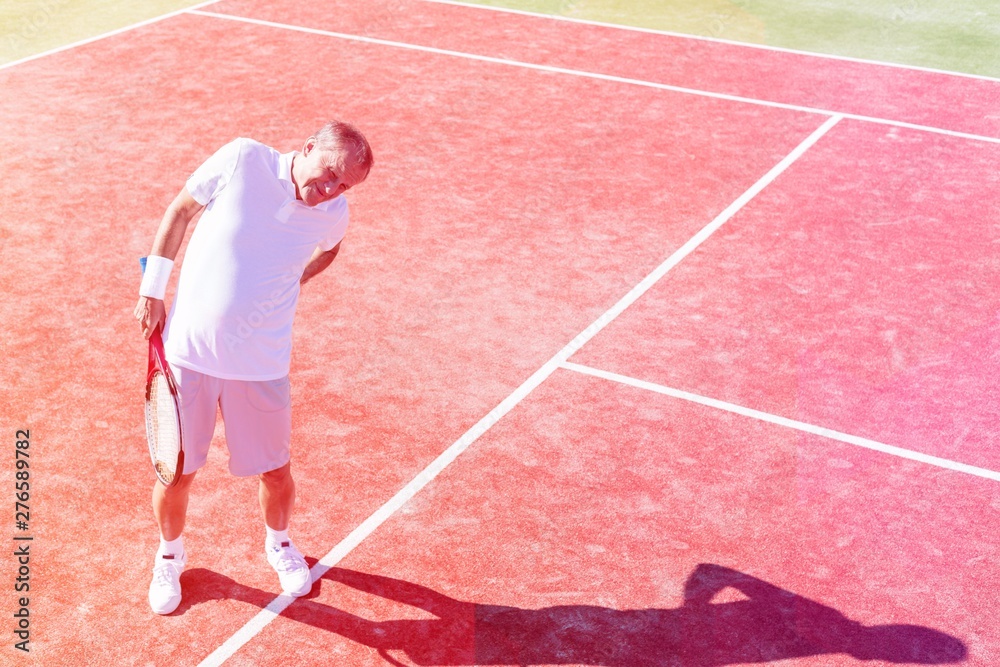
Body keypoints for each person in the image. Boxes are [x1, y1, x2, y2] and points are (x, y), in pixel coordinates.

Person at [133, 121, 373, 615]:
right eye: (330, 174)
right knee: (176, 473)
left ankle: (280, 544)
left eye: (345, 186)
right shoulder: (243, 159)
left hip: (262, 364)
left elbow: (330, 249)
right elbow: (181, 210)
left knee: (276, 472)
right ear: (308, 147)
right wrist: (152, 290)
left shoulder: (334, 212)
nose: (331, 190)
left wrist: (295, 278)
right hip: (190, 355)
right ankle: (170, 556)